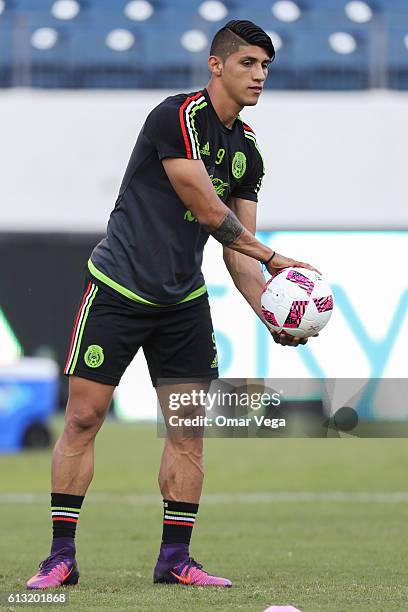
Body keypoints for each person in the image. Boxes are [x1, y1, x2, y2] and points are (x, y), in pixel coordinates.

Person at [26, 19, 319, 590]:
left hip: (182, 301)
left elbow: (235, 248)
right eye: (248, 64)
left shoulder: (248, 152)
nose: (259, 75)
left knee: (187, 430)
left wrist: (267, 309)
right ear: (217, 65)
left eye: (266, 67)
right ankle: (60, 556)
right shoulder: (176, 117)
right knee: (84, 418)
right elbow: (211, 213)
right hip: (117, 289)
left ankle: (175, 560)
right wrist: (277, 259)